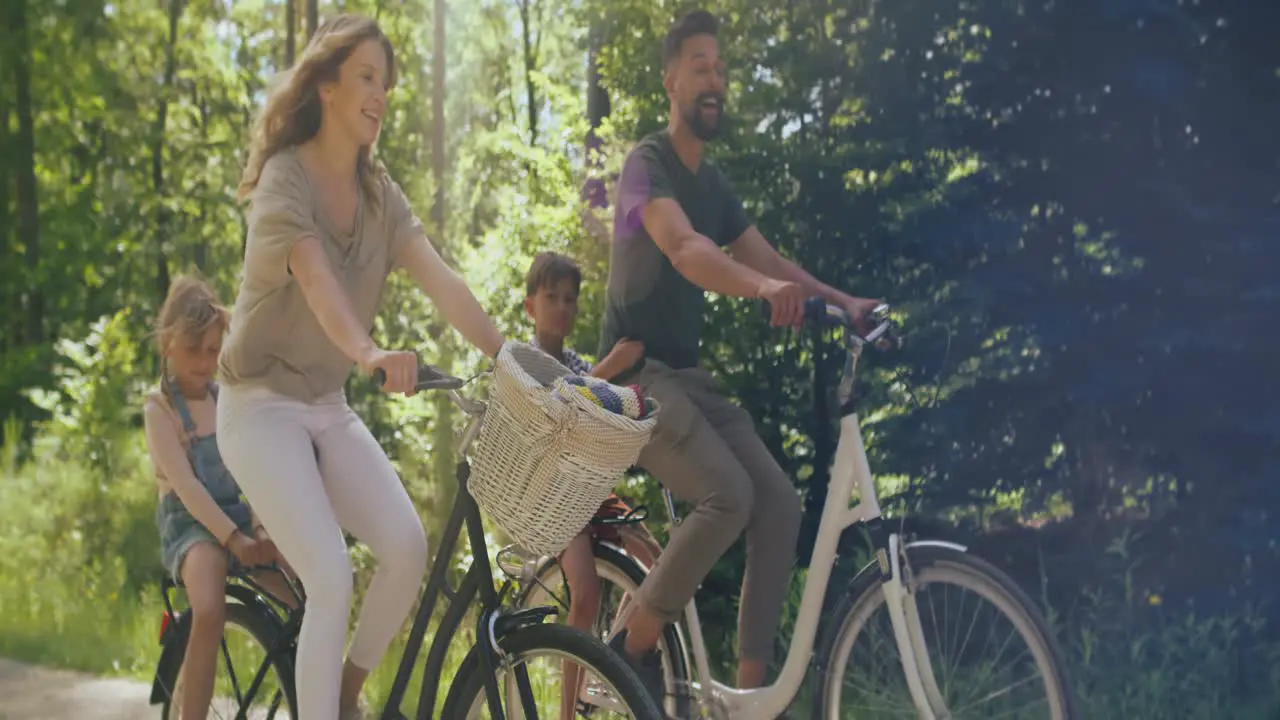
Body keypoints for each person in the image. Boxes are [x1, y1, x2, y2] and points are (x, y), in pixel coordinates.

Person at [214, 14, 505, 720]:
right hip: (257, 406)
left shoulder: (380, 194)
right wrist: (371, 354)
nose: (380, 95)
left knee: (406, 547)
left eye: (387, 83)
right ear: (327, 86)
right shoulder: (285, 181)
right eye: (367, 78)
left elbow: (443, 281)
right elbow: (317, 283)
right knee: (332, 574)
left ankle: (344, 693)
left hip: (324, 404)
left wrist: (513, 358)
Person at [598, 8, 881, 708]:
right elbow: (687, 249)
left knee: (778, 503)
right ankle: (629, 649)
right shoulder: (646, 166)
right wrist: (761, 290)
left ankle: (750, 699)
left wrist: (846, 303)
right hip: (634, 376)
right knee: (728, 495)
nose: (715, 80)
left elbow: (770, 259)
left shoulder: (714, 183)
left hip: (687, 379)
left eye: (721, 69)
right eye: (700, 67)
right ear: (670, 82)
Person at [145, 276, 297, 719]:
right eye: (195, 350)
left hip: (237, 519)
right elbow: (189, 489)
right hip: (192, 529)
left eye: (214, 350)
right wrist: (235, 541)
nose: (205, 362)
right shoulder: (160, 410)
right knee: (209, 607)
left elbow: (247, 470)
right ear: (169, 344)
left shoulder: (224, 398)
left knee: (307, 589)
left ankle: (327, 699)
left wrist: (260, 526)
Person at [523, 251, 664, 719]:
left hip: (588, 489)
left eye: (570, 299)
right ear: (530, 306)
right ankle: (566, 712)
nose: (562, 307)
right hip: (551, 493)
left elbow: (596, 402)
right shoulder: (524, 362)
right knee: (583, 592)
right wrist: (610, 366)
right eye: (551, 297)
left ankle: (617, 650)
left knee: (658, 564)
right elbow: (561, 398)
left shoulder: (577, 361)